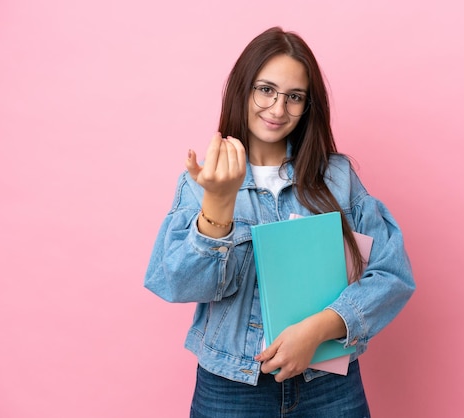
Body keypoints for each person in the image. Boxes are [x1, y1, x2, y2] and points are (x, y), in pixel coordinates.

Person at [144, 26, 415, 418]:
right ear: (243, 88)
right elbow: (177, 283)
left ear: (308, 106)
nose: (277, 109)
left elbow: (393, 272)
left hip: (328, 385)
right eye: (266, 90)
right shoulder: (204, 180)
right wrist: (218, 204)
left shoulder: (337, 177)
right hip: (230, 387)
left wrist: (320, 328)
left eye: (294, 97)